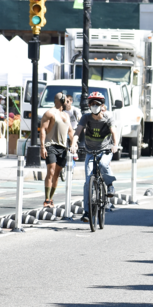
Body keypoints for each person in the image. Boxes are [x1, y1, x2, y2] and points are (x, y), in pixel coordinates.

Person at [70, 92, 118, 222]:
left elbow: (114, 132)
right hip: (90, 151)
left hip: (106, 150)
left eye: (97, 104)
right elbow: (77, 131)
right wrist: (74, 144)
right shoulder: (86, 117)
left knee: (103, 164)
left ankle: (110, 185)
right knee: (87, 182)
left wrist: (115, 145)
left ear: (102, 105)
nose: (94, 106)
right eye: (92, 104)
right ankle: (87, 212)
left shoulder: (108, 117)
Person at [39, 92, 75, 208]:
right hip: (51, 145)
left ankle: (51, 198)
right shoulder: (50, 113)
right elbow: (43, 130)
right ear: (61, 100)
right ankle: (47, 199)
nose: (68, 102)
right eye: (66, 100)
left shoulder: (66, 115)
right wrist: (42, 146)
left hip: (63, 147)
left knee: (57, 174)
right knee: (51, 171)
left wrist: (73, 143)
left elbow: (70, 131)